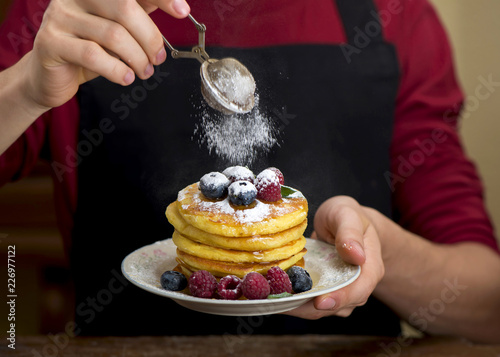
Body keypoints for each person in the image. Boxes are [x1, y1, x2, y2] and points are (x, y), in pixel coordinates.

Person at [1, 0, 500, 343]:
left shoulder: (395, 14)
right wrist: (25, 87)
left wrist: (372, 249)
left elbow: (487, 304)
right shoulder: (73, 11)